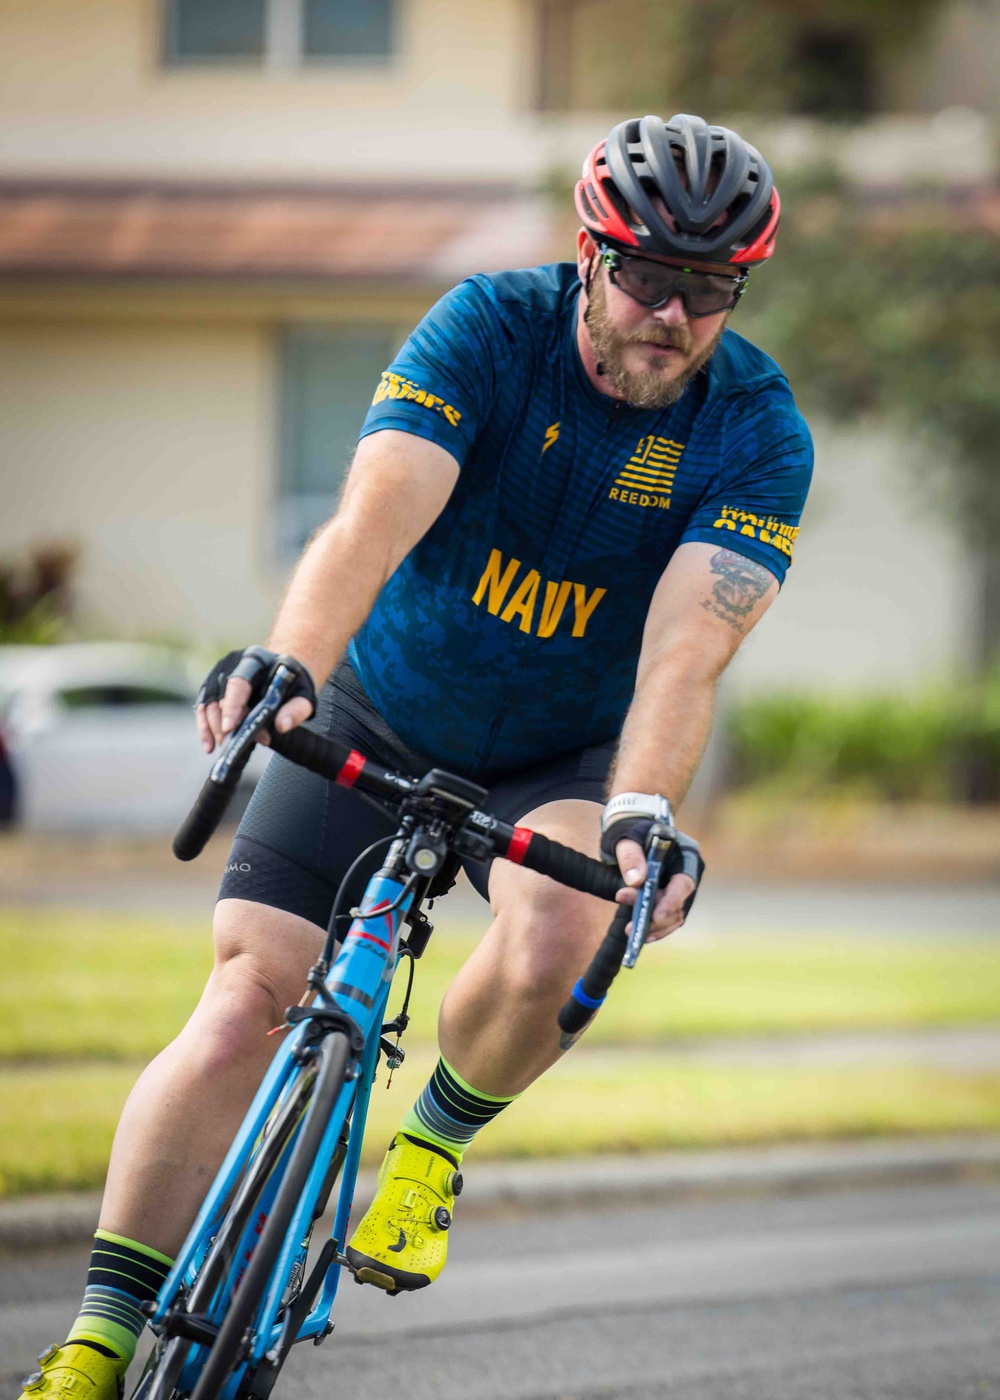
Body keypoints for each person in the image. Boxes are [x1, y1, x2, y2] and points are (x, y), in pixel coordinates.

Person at [24, 112, 811, 1400]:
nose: (673, 313)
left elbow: (685, 652)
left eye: (710, 287)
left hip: (561, 750)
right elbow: (369, 525)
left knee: (565, 932)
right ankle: (101, 1336)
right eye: (646, 276)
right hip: (377, 710)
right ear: (590, 251)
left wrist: (642, 810)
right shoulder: (488, 331)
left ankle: (434, 1147)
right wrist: (291, 665)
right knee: (239, 1007)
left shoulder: (755, 432)